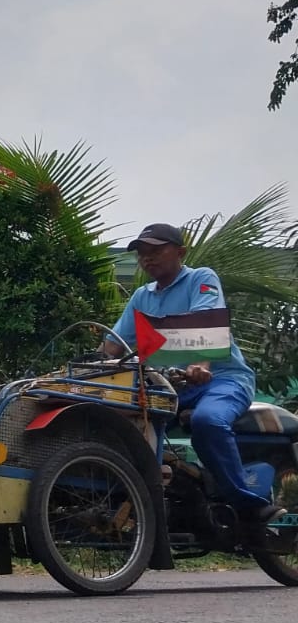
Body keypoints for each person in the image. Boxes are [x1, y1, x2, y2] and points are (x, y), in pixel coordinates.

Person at [101, 223, 286, 525]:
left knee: (207, 420)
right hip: (168, 387)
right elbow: (113, 346)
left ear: (181, 252)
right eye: (142, 253)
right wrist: (92, 365)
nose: (148, 258)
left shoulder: (201, 279)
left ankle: (249, 505)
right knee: (120, 421)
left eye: (157, 250)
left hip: (221, 380)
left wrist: (202, 364)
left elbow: (206, 322)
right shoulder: (141, 297)